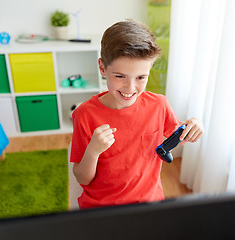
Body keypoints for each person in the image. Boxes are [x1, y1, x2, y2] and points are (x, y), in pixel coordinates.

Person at [70, 20, 204, 209]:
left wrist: (195, 124)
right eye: (120, 76)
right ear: (102, 68)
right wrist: (93, 151)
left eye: (141, 77)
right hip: (102, 210)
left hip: (149, 206)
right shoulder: (85, 115)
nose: (130, 88)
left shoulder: (159, 104)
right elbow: (83, 178)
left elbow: (178, 136)